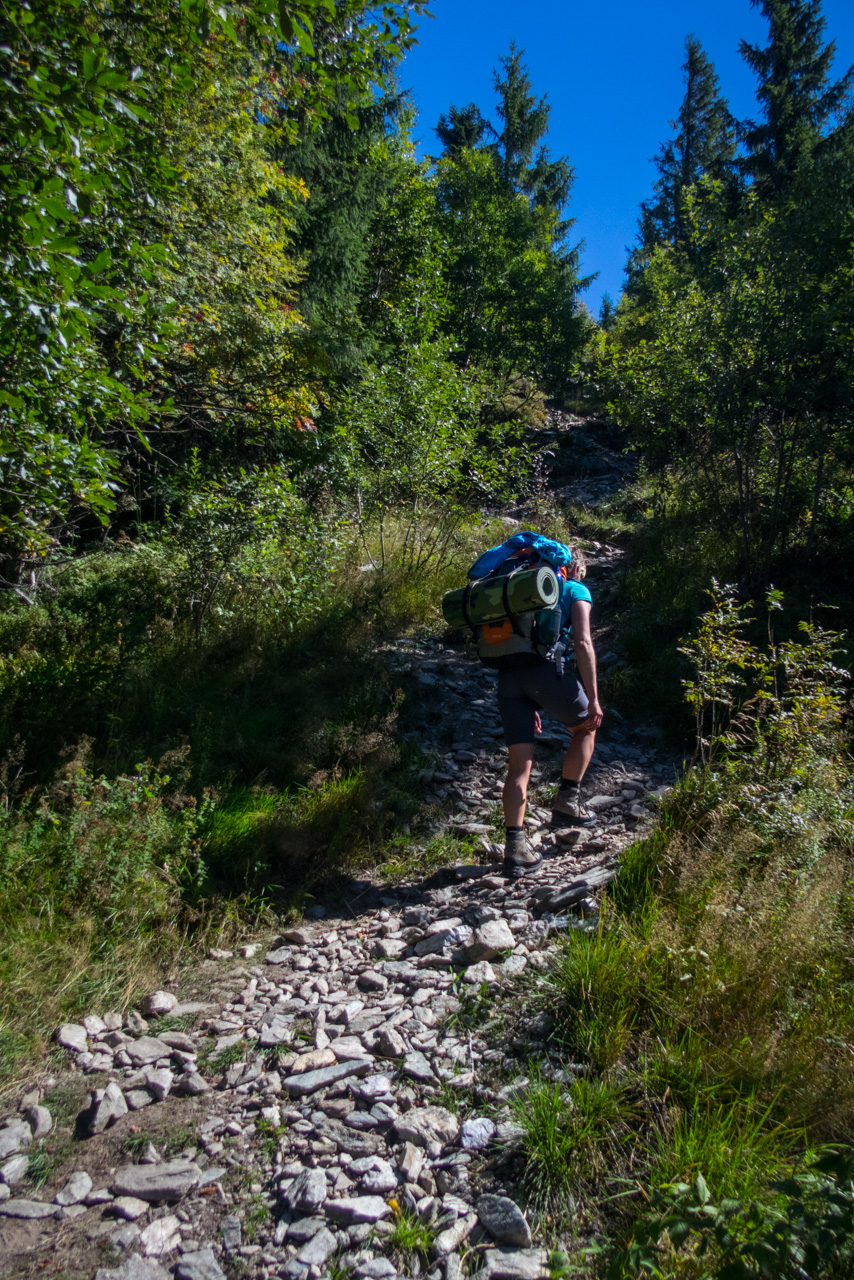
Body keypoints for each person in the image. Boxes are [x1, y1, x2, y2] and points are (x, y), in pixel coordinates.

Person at [498, 547, 603, 877]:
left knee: (519, 765)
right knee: (586, 726)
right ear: (574, 569)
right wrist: (594, 698)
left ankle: (514, 850)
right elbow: (583, 643)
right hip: (545, 672)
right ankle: (568, 802)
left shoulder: (521, 591)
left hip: (508, 677)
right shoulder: (574, 589)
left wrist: (531, 699)